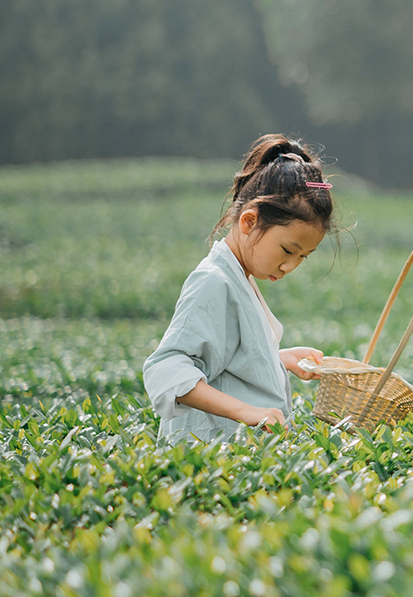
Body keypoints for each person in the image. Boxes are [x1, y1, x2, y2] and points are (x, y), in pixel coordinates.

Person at [143, 134, 336, 443]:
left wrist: (276, 359)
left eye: (303, 257)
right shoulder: (214, 281)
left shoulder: (238, 277)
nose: (290, 266)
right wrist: (246, 412)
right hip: (210, 460)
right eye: (288, 250)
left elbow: (223, 362)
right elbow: (167, 369)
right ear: (249, 222)